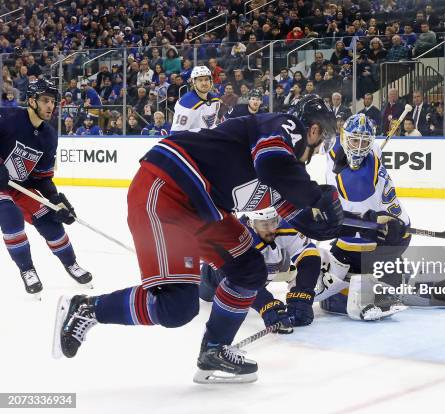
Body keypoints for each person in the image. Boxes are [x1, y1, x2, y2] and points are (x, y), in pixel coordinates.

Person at [52, 95, 351, 384]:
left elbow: (299, 214)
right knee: (177, 307)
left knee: (249, 269)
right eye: (321, 140)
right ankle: (88, 308)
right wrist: (317, 195)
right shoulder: (286, 128)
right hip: (168, 186)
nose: (319, 149)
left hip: (205, 207)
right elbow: (274, 166)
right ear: (313, 130)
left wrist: (335, 225)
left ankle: (214, 350)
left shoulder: (285, 173)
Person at [0, 79, 92, 297]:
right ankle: (27, 269)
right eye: (45, 100)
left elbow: (42, 177)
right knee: (10, 215)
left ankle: (71, 264)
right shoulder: (8, 118)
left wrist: (55, 199)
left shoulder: (49, 136)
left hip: (21, 187)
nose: (51, 106)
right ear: (32, 101)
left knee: (50, 221)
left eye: (53, 101)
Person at [320, 113, 410, 320]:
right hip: (371, 235)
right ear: (345, 138)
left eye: (364, 142)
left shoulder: (359, 178)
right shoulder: (368, 153)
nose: (359, 147)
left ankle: (383, 286)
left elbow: (345, 220)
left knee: (336, 283)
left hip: (382, 237)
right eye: (355, 140)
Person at [199, 207, 320, 333]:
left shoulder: (284, 226)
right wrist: (267, 305)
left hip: (262, 272)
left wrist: (302, 294)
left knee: (281, 258)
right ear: (251, 222)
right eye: (264, 225)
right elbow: (241, 279)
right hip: (215, 278)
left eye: (274, 222)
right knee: (215, 287)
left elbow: (308, 254)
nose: (270, 229)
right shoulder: (237, 236)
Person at [170, 66, 221, 132]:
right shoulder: (186, 102)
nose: (204, 83)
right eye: (200, 80)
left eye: (206, 79)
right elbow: (176, 133)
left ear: (211, 81)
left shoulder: (215, 99)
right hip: (191, 141)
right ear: (194, 82)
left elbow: (210, 126)